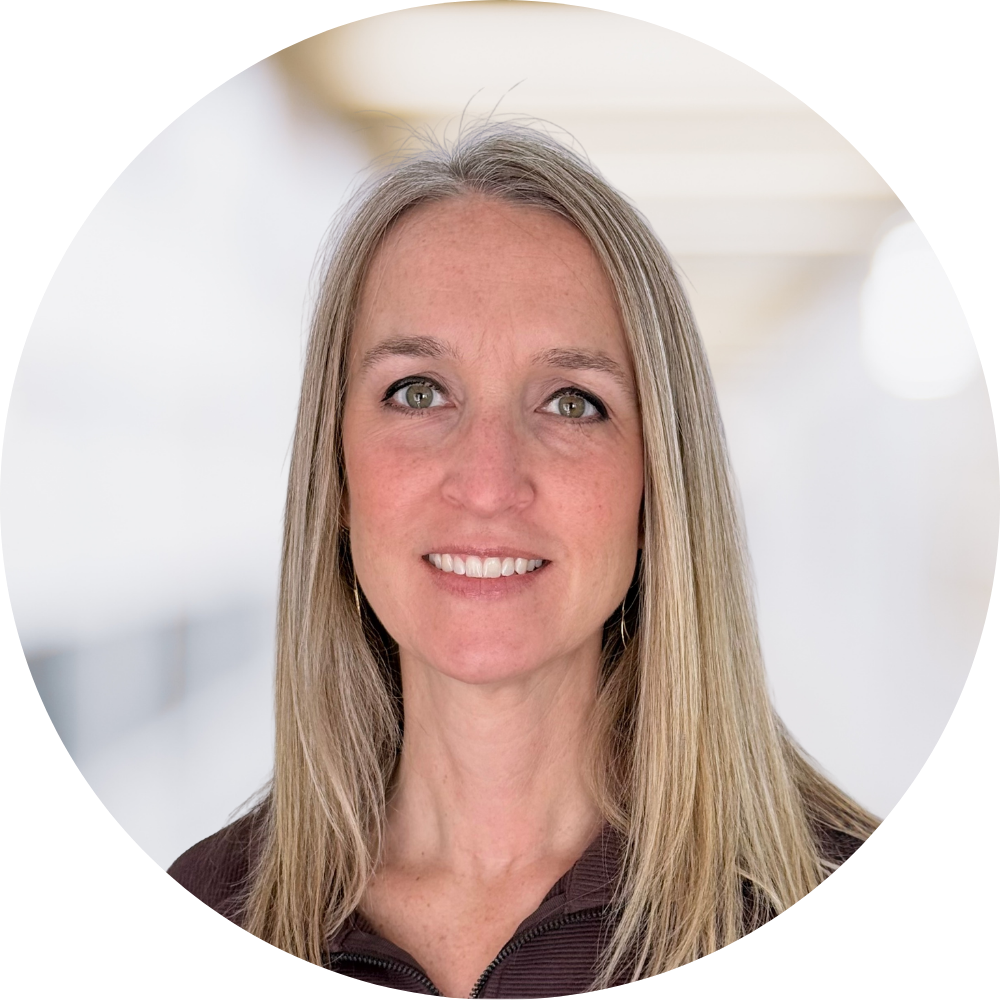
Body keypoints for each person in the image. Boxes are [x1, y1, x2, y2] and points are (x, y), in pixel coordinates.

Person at [168, 122, 879, 998]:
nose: (489, 481)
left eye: (572, 403)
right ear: (336, 475)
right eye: (418, 393)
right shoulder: (196, 916)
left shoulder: (861, 917)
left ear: (660, 488)